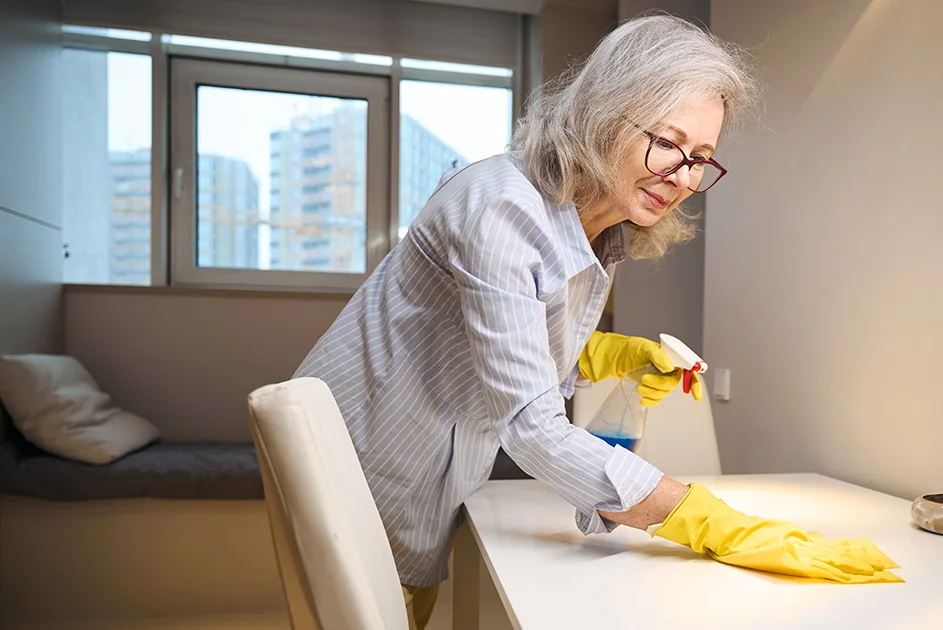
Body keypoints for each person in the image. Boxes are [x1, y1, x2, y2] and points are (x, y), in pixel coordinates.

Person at [294, 13, 898, 630]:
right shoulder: (502, 209)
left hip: (419, 468)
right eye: (667, 142)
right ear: (605, 113)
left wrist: (612, 356)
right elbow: (531, 423)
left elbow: (510, 344)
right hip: (364, 462)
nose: (684, 177)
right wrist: (709, 521)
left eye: (702, 159)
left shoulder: (597, 236)